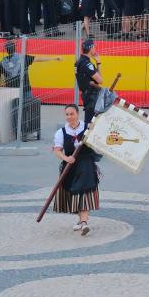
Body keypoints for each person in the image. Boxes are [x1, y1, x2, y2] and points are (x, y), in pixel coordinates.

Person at [51, 104, 101, 236]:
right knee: (74, 193)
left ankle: (84, 223)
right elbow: (57, 150)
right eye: (67, 114)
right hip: (70, 167)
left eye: (72, 114)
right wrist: (66, 158)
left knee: (85, 192)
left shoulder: (88, 128)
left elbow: (98, 142)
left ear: (77, 114)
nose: (69, 117)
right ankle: (80, 221)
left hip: (86, 165)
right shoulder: (61, 132)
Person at [75, 39, 103, 124]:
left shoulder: (78, 61)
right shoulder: (87, 64)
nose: (95, 49)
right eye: (94, 47)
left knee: (89, 120)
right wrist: (98, 63)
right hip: (91, 96)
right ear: (91, 49)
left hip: (86, 93)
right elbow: (100, 80)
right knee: (91, 122)